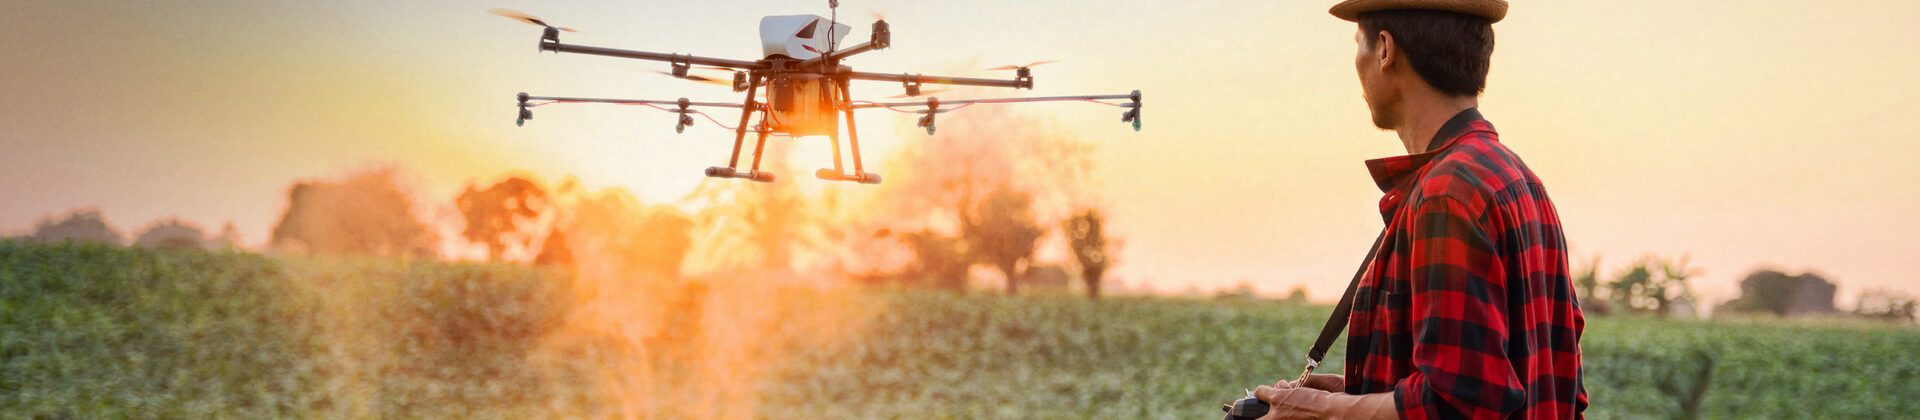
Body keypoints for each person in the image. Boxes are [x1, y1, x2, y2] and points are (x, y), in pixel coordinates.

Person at [1252, 1, 1587, 418]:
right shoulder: (1522, 183)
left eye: (1360, 43)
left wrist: (1321, 410)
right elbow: (1541, 382)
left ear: (1386, 50)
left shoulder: (1447, 194)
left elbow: (1459, 404)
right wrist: (1350, 394)